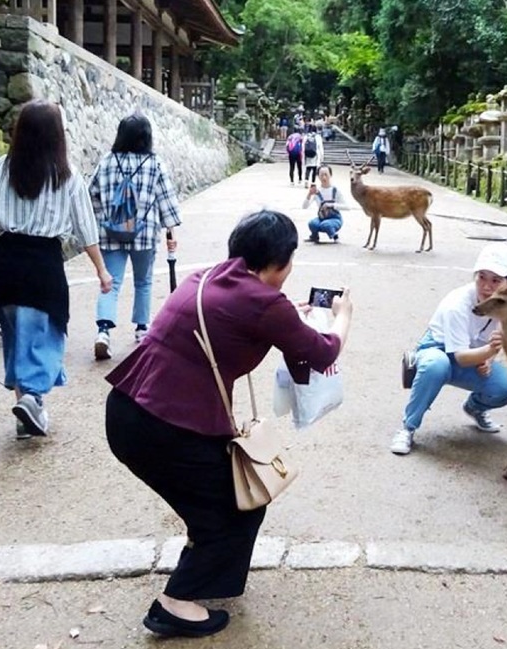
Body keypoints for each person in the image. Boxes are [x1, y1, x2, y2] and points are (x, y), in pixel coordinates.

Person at [105, 210, 353, 638]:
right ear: (280, 263)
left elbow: (234, 318)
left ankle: (202, 553)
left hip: (127, 410)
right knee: (239, 507)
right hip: (167, 427)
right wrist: (344, 315)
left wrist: (285, 314)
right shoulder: (266, 304)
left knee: (211, 498)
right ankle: (175, 603)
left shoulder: (201, 278)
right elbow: (324, 352)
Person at [0, 99, 113, 440]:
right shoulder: (67, 176)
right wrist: (102, 271)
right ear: (57, 136)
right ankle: (32, 397)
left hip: (8, 262)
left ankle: (26, 414)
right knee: (46, 337)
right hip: (43, 264)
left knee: (16, 337)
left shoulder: (2, 167)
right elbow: (86, 229)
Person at [390, 243, 507, 455]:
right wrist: (487, 353)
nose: (486, 286)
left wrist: (488, 358)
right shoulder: (457, 303)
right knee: (435, 366)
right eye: (482, 277)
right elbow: (460, 357)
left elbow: (497, 337)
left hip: (474, 354)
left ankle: (476, 407)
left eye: (496, 280)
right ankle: (407, 428)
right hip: (440, 350)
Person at [89, 113, 181, 360]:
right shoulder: (154, 164)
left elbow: (92, 194)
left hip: (112, 233)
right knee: (143, 282)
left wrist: (104, 218)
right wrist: (170, 230)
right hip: (145, 233)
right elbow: (166, 202)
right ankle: (142, 330)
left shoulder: (107, 162)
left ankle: (103, 332)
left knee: (111, 282)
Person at [302, 164, 346, 244]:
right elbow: (304, 207)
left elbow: (347, 207)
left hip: (335, 219)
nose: (324, 177)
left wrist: (332, 205)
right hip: (322, 218)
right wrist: (309, 194)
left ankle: (334, 236)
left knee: (326, 224)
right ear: (318, 176)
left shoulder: (336, 191)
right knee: (312, 223)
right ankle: (314, 236)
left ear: (330, 175)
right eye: (321, 175)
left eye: (326, 174)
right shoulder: (317, 192)